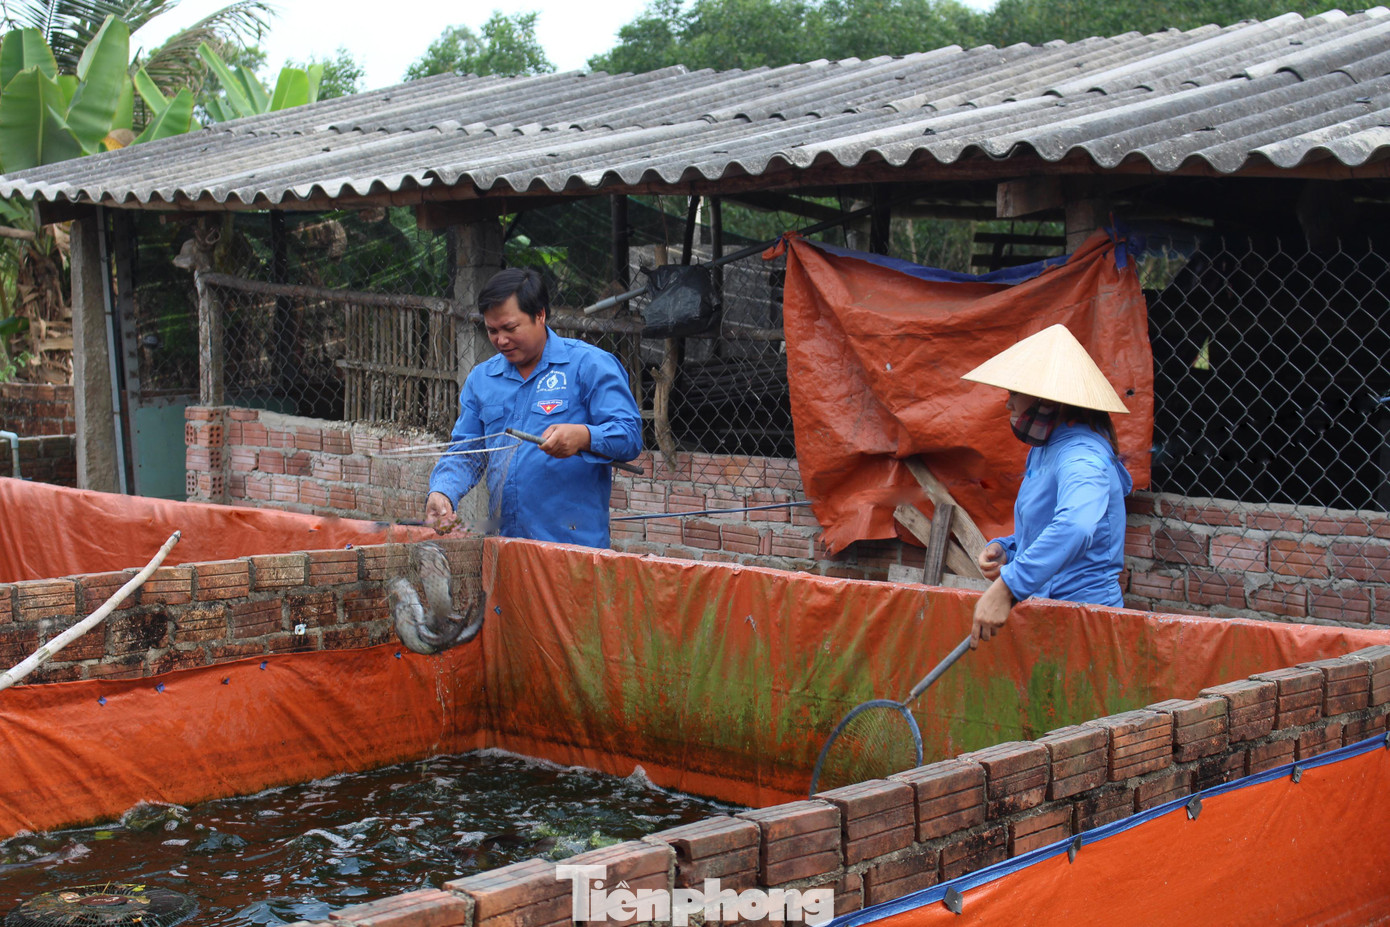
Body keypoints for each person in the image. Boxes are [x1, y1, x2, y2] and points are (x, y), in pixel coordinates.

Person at [424, 268, 642, 548]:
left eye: (510, 328)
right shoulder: (482, 379)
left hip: (574, 550)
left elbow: (629, 436)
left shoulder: (590, 366)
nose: (501, 340)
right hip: (505, 546)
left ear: (540, 315)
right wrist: (443, 491)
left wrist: (584, 436)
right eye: (492, 330)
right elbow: (467, 452)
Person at [959, 324, 1134, 648]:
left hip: (1086, 623)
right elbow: (1049, 524)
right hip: (1049, 616)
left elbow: (1076, 526)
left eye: (1014, 393)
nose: (1008, 404)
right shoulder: (1045, 450)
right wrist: (1009, 548)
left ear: (1046, 399)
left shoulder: (1082, 457)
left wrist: (1007, 588)